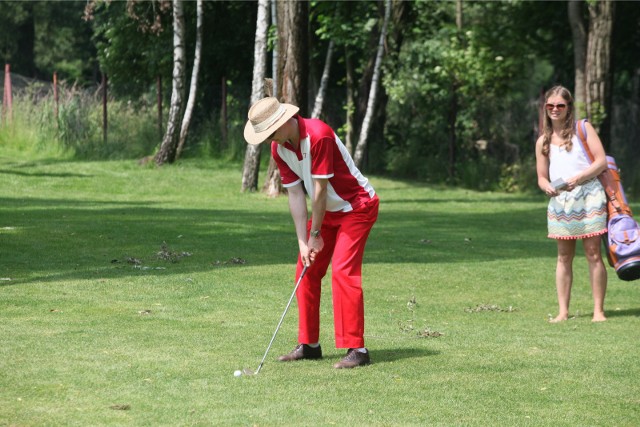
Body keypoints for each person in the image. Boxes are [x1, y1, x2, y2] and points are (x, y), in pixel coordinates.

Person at [243, 97, 379, 369]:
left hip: (356, 207)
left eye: (271, 131)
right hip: (326, 212)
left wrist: (315, 233)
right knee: (305, 268)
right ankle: (309, 345)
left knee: (343, 270)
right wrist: (303, 241)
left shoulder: (318, 135)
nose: (272, 138)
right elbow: (295, 194)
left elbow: (319, 191)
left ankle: (358, 349)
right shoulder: (278, 148)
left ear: (283, 121)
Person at [535, 85, 608, 323]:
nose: (555, 109)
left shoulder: (582, 129)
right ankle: (563, 312)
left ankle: (598, 311)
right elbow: (541, 176)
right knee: (563, 257)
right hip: (561, 201)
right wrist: (546, 186)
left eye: (560, 106)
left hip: (589, 196)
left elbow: (601, 161)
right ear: (545, 108)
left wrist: (579, 177)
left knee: (593, 253)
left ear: (568, 108)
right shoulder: (543, 141)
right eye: (550, 106)